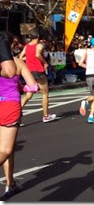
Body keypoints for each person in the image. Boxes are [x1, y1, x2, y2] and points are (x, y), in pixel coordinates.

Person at [0, 32, 35, 199]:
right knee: (6, 150)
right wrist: (23, 90)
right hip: (10, 106)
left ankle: (10, 183)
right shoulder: (17, 63)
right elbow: (33, 86)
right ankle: (9, 184)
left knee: (8, 149)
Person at [19, 32, 56, 123]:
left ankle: (16, 115)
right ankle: (46, 116)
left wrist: (28, 59)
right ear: (38, 36)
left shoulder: (27, 46)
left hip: (29, 72)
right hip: (38, 71)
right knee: (45, 94)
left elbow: (20, 57)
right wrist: (45, 62)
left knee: (28, 95)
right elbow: (37, 54)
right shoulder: (39, 45)